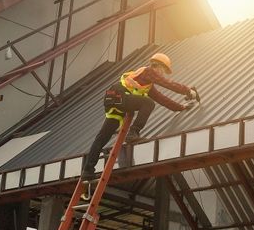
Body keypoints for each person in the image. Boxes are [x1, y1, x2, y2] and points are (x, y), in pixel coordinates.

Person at [81, 52, 198, 180]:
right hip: (119, 95)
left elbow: (163, 100)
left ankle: (88, 171)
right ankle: (133, 133)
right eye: (163, 70)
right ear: (158, 66)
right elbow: (167, 83)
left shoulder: (146, 84)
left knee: (101, 138)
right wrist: (188, 91)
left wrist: (181, 107)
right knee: (148, 103)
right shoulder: (149, 71)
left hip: (113, 100)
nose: (163, 73)